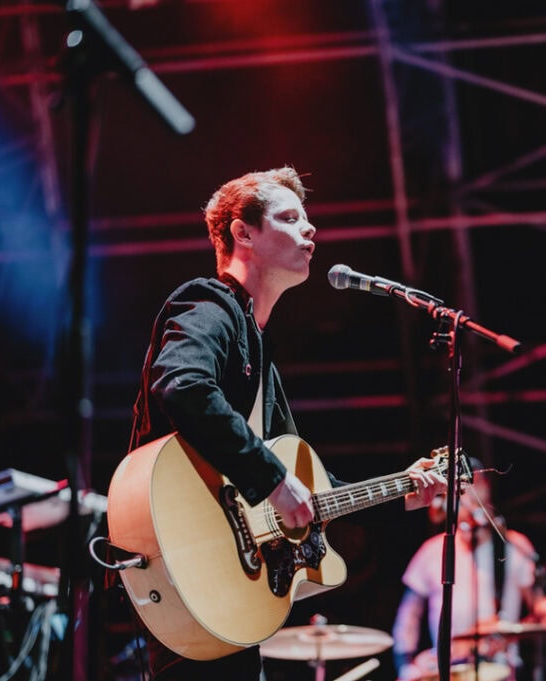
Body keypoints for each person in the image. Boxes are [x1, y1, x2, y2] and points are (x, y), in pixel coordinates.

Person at [126, 166, 448, 681]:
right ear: (243, 232)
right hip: (184, 561)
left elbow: (311, 494)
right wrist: (272, 480)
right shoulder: (208, 302)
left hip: (229, 590)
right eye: (291, 218)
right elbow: (182, 386)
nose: (311, 231)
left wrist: (402, 492)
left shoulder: (262, 357)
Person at [391, 462, 546, 681]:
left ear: (486, 487)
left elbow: (540, 608)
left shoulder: (514, 545)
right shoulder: (433, 549)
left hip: (500, 667)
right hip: (446, 667)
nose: (464, 494)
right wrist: (404, 664)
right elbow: (408, 617)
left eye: (472, 484)